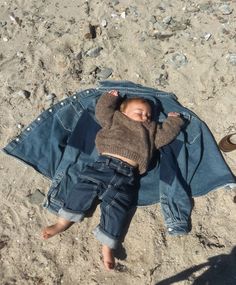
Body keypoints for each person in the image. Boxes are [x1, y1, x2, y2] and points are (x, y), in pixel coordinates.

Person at [42, 90, 184, 270]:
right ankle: (62, 222)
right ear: (123, 112)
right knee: (82, 190)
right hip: (102, 166)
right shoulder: (116, 119)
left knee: (117, 209)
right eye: (139, 111)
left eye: (148, 114)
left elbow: (165, 136)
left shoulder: (151, 130)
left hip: (128, 177)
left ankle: (107, 246)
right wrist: (110, 98)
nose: (145, 116)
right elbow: (102, 111)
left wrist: (174, 121)